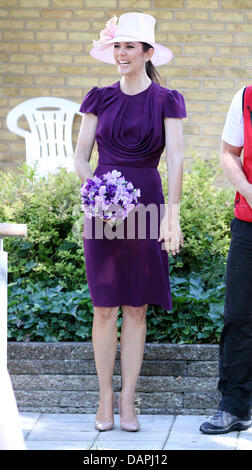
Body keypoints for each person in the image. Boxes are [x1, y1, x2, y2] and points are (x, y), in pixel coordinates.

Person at [74, 12, 186, 432]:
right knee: (104, 308)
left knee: (136, 308)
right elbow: (80, 157)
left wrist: (171, 217)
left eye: (129, 46)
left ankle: (127, 401)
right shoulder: (98, 97)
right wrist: (97, 191)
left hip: (147, 207)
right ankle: (103, 397)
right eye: (116, 46)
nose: (120, 53)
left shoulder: (166, 99)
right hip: (103, 212)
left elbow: (175, 160)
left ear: (147, 53)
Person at [200, 85, 252, 434]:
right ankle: (234, 407)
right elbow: (228, 153)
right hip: (249, 223)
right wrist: (250, 193)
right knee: (239, 316)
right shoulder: (246, 97)